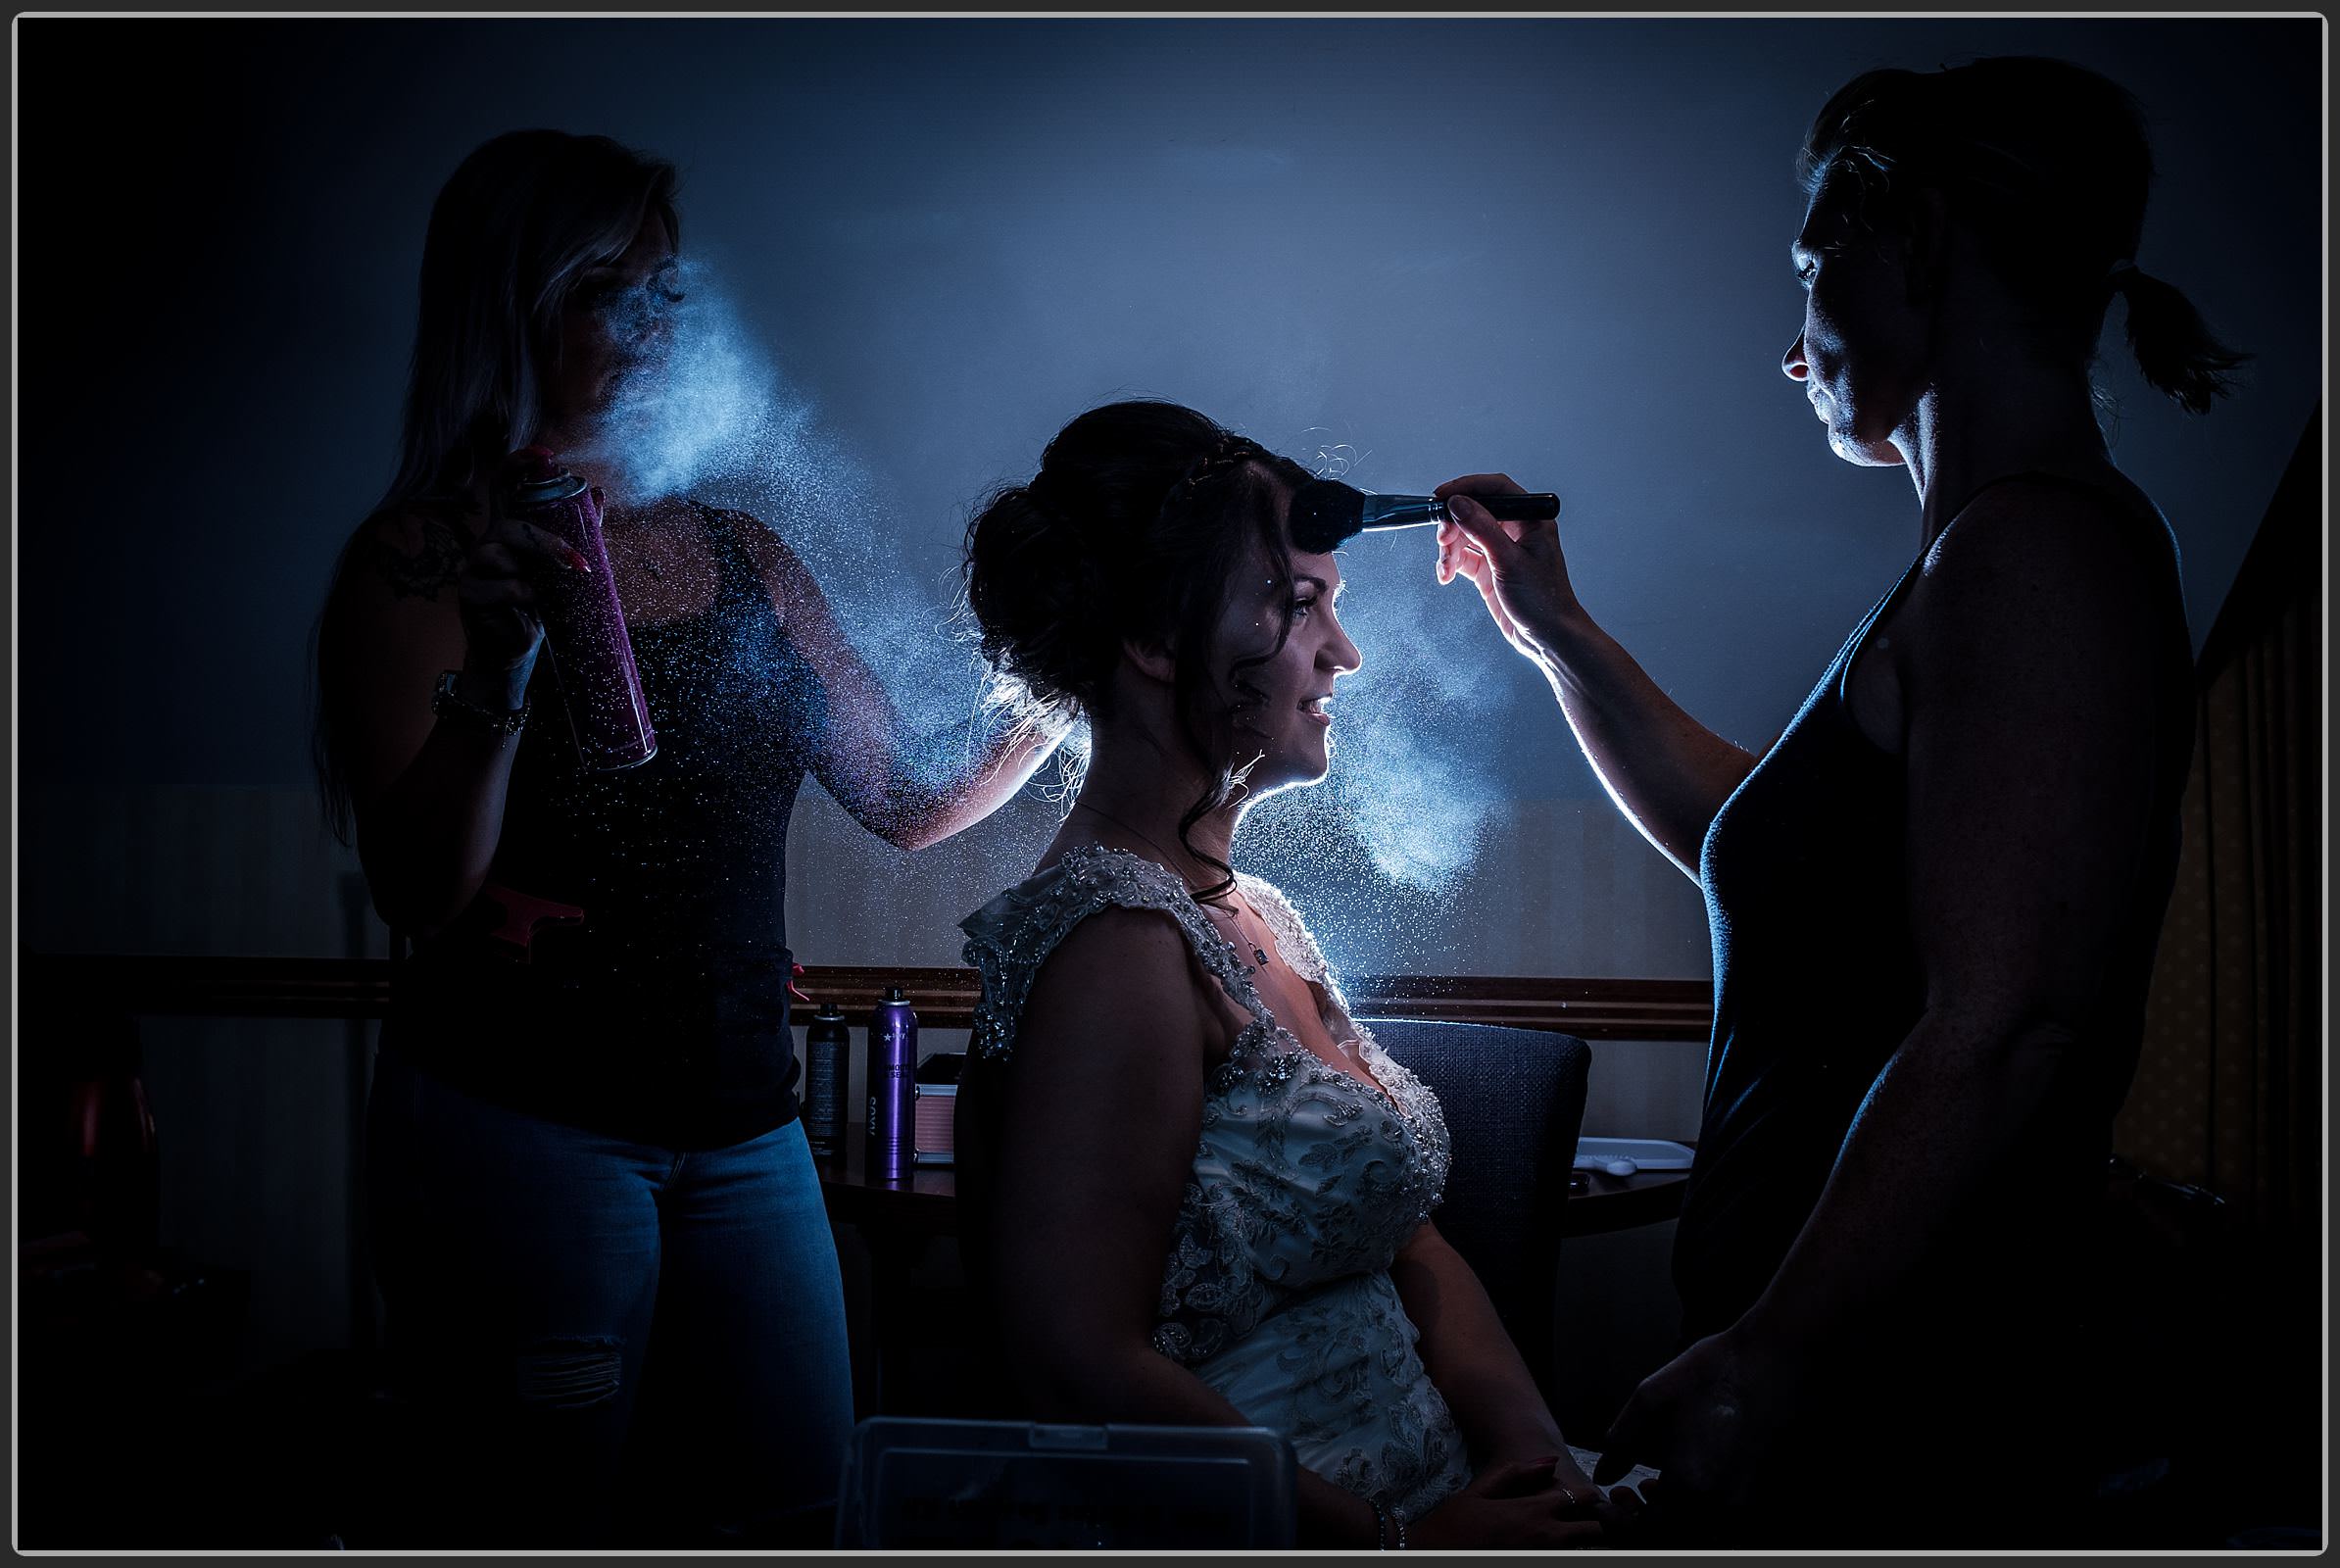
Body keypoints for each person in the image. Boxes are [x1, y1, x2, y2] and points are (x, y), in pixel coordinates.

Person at [1431, 58, 2239, 1547]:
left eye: (1814, 266)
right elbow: (1772, 861)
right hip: (1861, 1391)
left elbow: (2006, 1026)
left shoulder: (2034, 560)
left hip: (1914, 1409)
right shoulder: (1972, 568)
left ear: (1916, 243)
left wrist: (1770, 1361)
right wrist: (1555, 633)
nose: (1792, 343)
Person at [310, 130, 1059, 1547]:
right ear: (512, 305)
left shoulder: (741, 551)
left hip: (744, 1129)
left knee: (790, 1509)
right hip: (524, 1132)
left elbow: (907, 800)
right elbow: (419, 888)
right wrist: (498, 675)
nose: (657, 326)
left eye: (669, 289)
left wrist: (1062, 685)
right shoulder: (419, 563)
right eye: (613, 291)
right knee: (540, 1526)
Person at [951, 399, 1629, 1549]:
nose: (1344, 653)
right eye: (1298, 603)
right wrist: (1403, 1546)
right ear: (1158, 642)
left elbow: (1409, 1240)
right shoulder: (1115, 952)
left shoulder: (1255, 911)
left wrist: (1536, 1459)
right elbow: (1085, 1372)